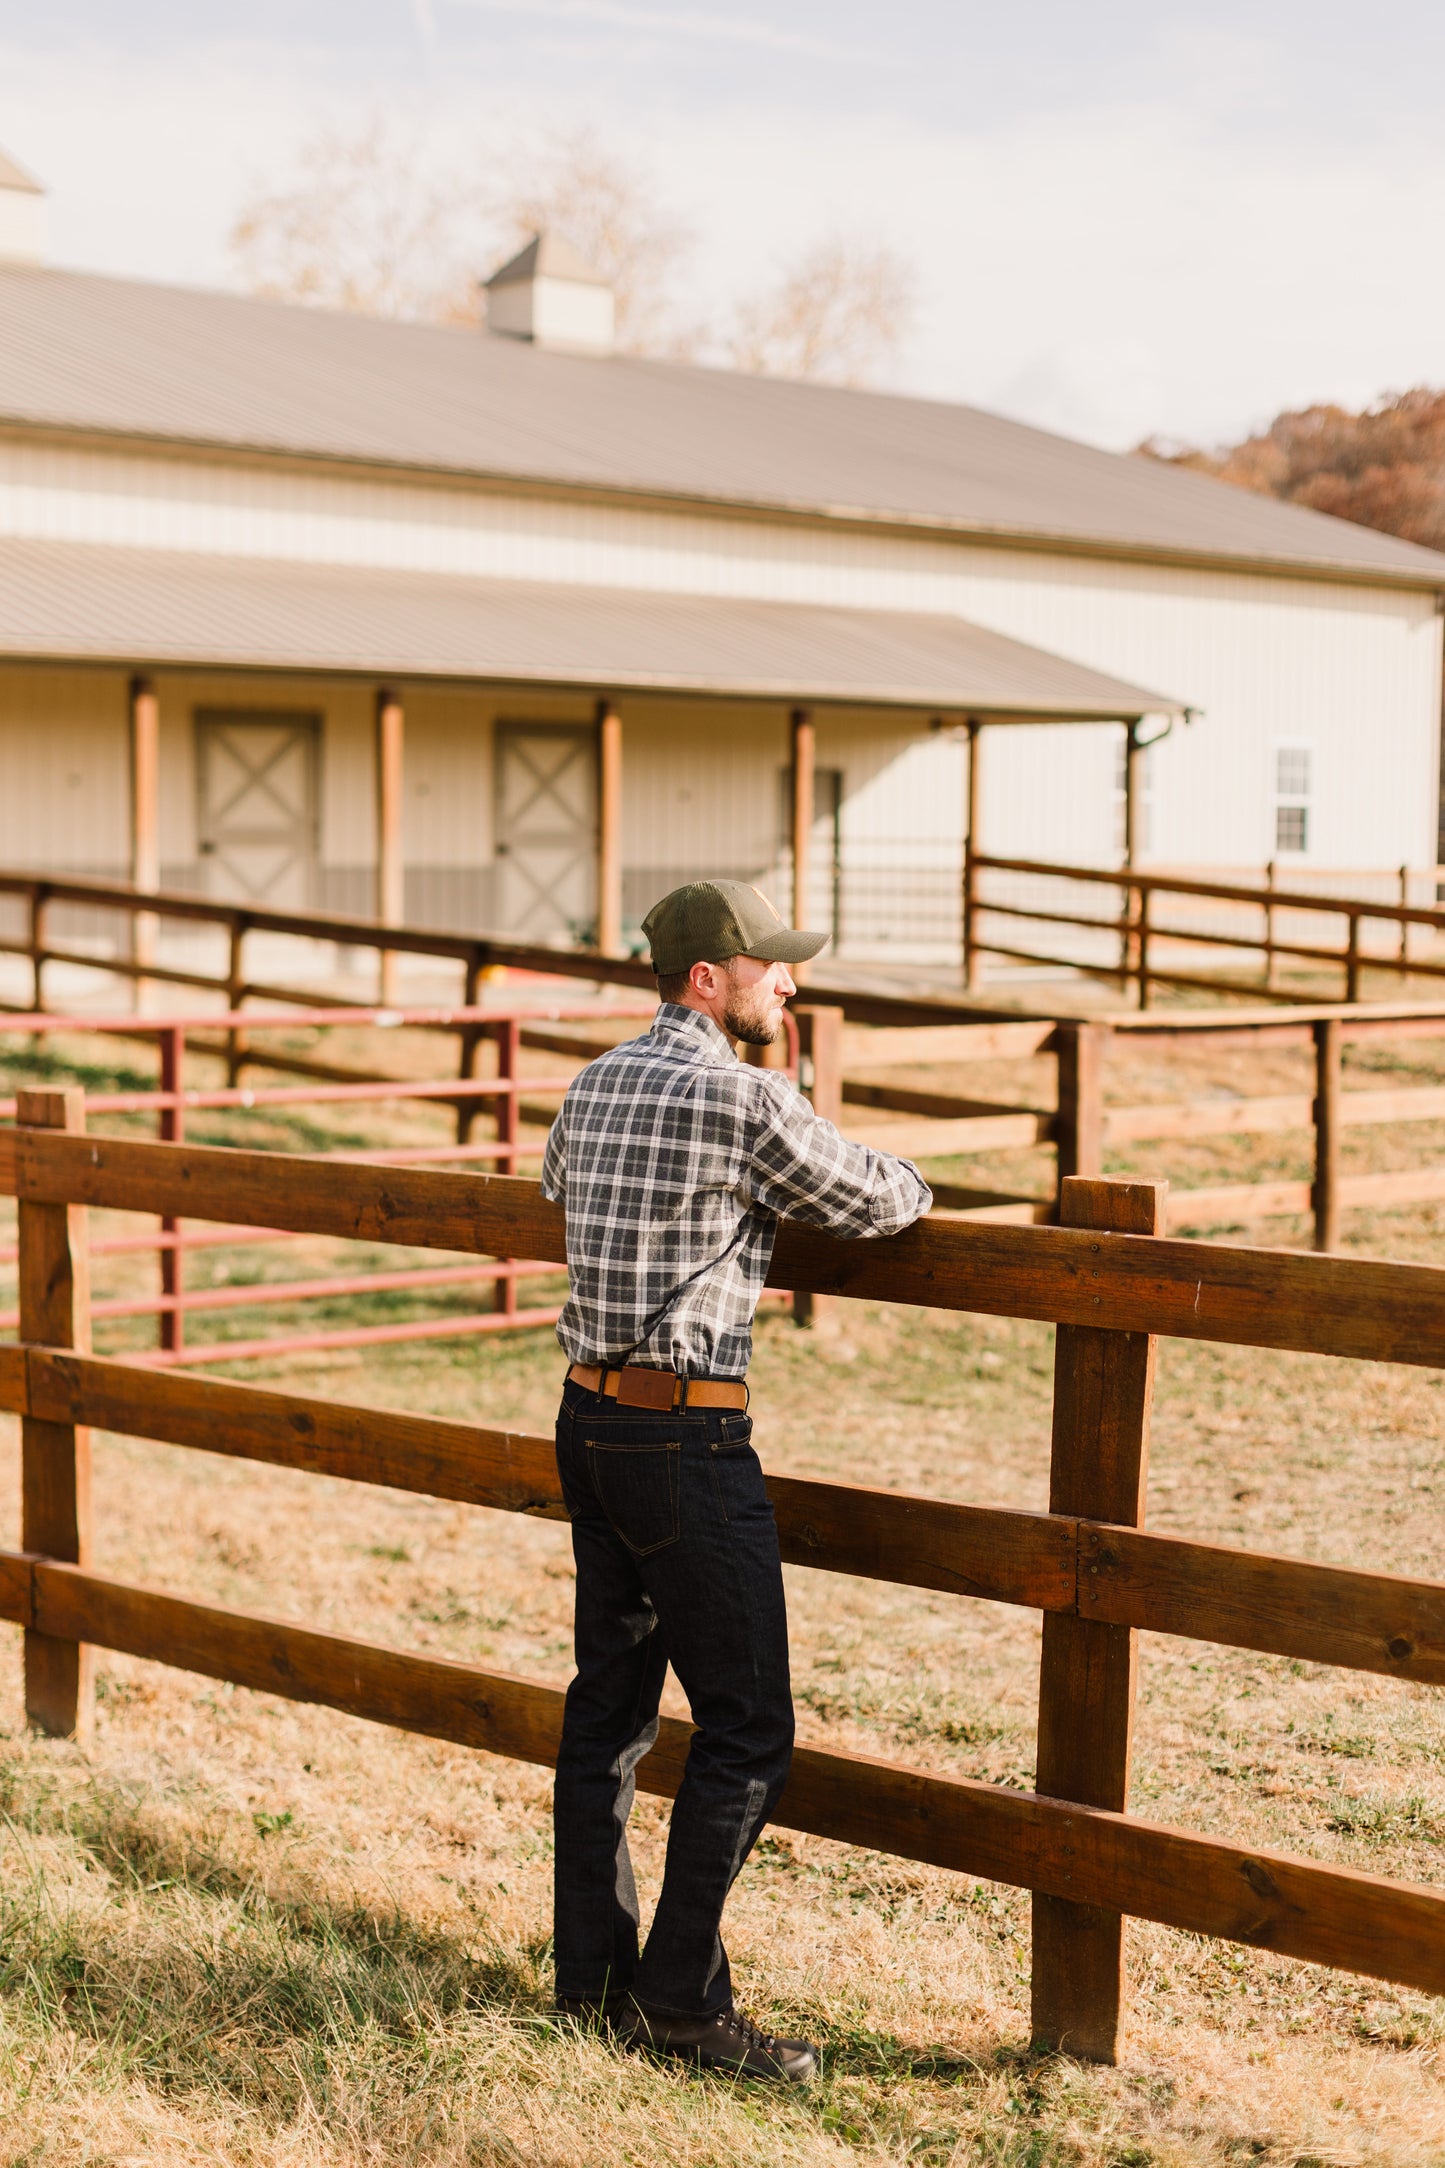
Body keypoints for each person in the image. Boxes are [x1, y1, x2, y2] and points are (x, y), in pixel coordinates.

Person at [541, 878, 932, 2083]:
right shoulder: (743, 1095)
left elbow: (559, 1186)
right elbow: (878, 1197)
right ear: (707, 978)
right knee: (750, 1725)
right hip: (684, 1437)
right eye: (772, 967)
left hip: (586, 1415)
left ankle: (593, 1981)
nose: (789, 983)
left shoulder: (591, 1080)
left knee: (607, 1709)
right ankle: (679, 2003)